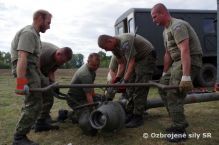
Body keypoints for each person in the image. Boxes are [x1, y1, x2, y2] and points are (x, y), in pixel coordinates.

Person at [151, 3, 203, 142]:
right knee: (162, 87)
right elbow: (168, 54)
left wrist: (186, 76)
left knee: (173, 92)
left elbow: (185, 50)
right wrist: (164, 73)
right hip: (176, 62)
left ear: (162, 13)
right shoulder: (165, 31)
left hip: (190, 60)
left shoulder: (177, 26)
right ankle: (176, 120)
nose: (153, 20)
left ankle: (180, 129)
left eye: (154, 16)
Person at [11, 10, 52, 145]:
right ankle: (19, 137)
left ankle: (41, 122)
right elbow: (22, 57)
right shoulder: (28, 33)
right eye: (48, 22)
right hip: (26, 69)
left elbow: (36, 59)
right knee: (34, 102)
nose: (49, 26)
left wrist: (42, 77)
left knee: (48, 91)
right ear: (40, 19)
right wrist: (20, 84)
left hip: (33, 69)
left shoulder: (36, 35)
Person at [98, 33, 156, 128]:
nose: (106, 50)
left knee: (139, 86)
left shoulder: (125, 41)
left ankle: (138, 116)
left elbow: (131, 62)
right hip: (136, 59)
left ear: (110, 41)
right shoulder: (114, 49)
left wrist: (124, 80)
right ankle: (130, 113)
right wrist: (117, 79)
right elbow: (121, 64)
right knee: (130, 86)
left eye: (105, 48)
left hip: (146, 56)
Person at [33, 42, 73, 132]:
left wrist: (53, 83)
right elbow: (36, 69)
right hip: (31, 70)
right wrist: (45, 82)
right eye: (62, 61)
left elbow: (51, 71)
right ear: (58, 54)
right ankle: (34, 122)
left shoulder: (60, 58)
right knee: (34, 98)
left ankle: (42, 120)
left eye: (64, 62)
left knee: (48, 97)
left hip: (41, 71)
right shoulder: (43, 54)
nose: (62, 63)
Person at [66, 53, 100, 122]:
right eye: (93, 65)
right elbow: (89, 95)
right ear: (88, 61)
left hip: (83, 96)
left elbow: (91, 87)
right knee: (86, 117)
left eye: (97, 65)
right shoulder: (85, 74)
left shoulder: (92, 71)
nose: (96, 67)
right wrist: (93, 112)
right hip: (75, 100)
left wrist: (95, 97)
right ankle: (66, 114)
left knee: (101, 100)